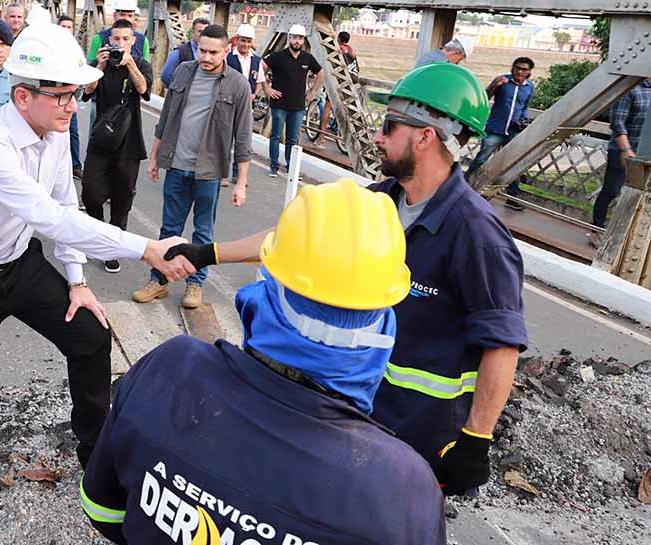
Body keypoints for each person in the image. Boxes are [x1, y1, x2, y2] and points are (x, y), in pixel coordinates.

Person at [163, 63, 529, 497]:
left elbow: (502, 341)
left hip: (417, 434)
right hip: (359, 411)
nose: (377, 136)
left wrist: (476, 439)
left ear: (426, 135)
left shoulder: (476, 233)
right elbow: (294, 238)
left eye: (390, 126)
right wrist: (208, 253)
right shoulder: (379, 203)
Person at [0, 21, 195, 519]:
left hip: (20, 264)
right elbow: (50, 218)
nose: (74, 105)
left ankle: (94, 451)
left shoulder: (52, 134)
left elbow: (66, 205)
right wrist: (148, 249)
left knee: (90, 334)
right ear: (23, 96)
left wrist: (76, 282)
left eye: (76, 94)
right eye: (63, 96)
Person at [81, 180, 446, 545]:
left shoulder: (172, 371)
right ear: (382, 321)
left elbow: (105, 512)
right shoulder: (404, 489)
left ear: (266, 292)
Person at [133, 24, 251, 309]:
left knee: (203, 232)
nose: (206, 57)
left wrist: (241, 183)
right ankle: (159, 280)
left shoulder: (237, 84)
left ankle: (195, 284)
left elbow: (243, 136)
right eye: (202, 50)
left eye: (213, 52)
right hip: (176, 164)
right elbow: (168, 116)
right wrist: (156, 156)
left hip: (209, 172)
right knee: (169, 228)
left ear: (226, 50)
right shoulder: (184, 71)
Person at [82, 19, 153, 274]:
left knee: (123, 198)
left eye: (125, 39)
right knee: (90, 191)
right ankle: (98, 232)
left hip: (129, 142)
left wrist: (130, 63)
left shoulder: (140, 63)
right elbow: (87, 92)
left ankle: (112, 248)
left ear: (133, 41)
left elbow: (144, 90)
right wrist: (100, 65)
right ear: (109, 40)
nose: (120, 44)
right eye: (116, 39)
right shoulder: (100, 64)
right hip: (101, 139)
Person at [465, 57, 535, 211]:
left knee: (514, 163)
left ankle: (512, 197)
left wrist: (524, 119)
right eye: (517, 68)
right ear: (512, 68)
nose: (519, 71)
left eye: (523, 69)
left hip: (514, 131)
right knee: (481, 159)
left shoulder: (530, 87)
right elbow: (485, 97)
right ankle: (463, 185)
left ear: (529, 72)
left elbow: (524, 107)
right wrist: (494, 85)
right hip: (495, 129)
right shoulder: (502, 82)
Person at [262, 24, 324, 178]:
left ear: (303, 41)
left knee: (292, 138)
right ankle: (274, 167)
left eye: (300, 38)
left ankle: (291, 167)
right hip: (279, 105)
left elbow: (321, 73)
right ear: (289, 38)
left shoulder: (307, 58)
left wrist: (312, 92)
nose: (297, 41)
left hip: (297, 106)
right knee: (276, 136)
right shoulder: (277, 56)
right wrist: (267, 89)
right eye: (294, 37)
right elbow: (261, 67)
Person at [591, 77, 651, 235]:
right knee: (612, 190)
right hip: (623, 150)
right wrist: (626, 149)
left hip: (647, 155)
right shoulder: (631, 89)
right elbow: (617, 122)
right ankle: (597, 230)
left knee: (640, 196)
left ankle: (626, 233)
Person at [225, 23, 264, 184]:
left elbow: (260, 81)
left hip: (248, 107)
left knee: (243, 142)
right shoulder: (228, 58)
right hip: (229, 105)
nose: (245, 44)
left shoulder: (256, 60)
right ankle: (222, 174)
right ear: (237, 40)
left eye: (248, 41)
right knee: (226, 141)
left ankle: (237, 175)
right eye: (242, 41)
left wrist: (255, 94)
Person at [312, 31, 358, 147]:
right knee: (347, 111)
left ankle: (321, 138)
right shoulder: (352, 50)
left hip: (338, 83)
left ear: (338, 39)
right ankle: (345, 139)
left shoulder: (337, 49)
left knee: (327, 108)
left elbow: (329, 65)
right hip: (350, 84)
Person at [59, 14, 84, 179]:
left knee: (72, 131)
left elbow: (82, 69)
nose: (66, 30)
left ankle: (75, 164)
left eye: (69, 27)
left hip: (70, 95)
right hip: (53, 94)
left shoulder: (77, 49)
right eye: (63, 27)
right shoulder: (51, 46)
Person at [160, 18, 209, 88]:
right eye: (200, 31)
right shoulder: (179, 52)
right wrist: (180, 91)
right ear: (192, 33)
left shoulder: (211, 53)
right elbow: (166, 76)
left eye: (206, 32)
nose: (203, 35)